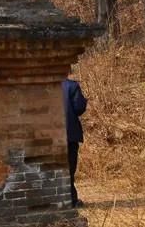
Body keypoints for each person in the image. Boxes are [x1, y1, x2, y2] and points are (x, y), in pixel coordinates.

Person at [62, 77, 88, 208]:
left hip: (46, 135)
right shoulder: (71, 86)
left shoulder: (39, 85)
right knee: (69, 168)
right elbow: (79, 107)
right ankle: (71, 199)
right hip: (69, 133)